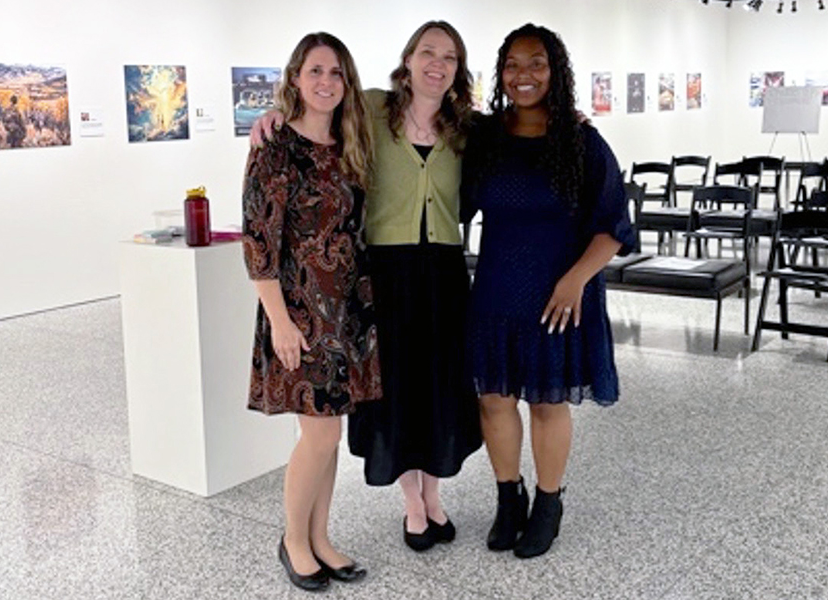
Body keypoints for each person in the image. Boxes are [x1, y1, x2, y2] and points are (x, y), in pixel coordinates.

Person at [252, 21, 482, 554]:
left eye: (449, 57)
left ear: (458, 70)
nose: (437, 64)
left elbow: (521, 133)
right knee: (397, 390)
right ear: (408, 59)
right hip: (385, 275)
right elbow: (318, 107)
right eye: (427, 52)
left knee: (439, 386)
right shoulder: (374, 109)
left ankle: (434, 495)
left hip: (444, 275)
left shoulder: (468, 127)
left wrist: (570, 118)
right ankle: (412, 504)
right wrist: (274, 113)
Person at [462, 23, 635, 559]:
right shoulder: (486, 139)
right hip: (497, 290)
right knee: (494, 399)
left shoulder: (583, 142)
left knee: (546, 401)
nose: (524, 75)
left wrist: (576, 278)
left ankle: (549, 503)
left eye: (536, 63)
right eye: (512, 65)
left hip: (559, 297)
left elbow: (614, 226)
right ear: (500, 74)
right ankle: (508, 497)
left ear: (555, 70)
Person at [241, 32, 379, 593]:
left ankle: (321, 539)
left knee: (331, 433)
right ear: (296, 77)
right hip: (299, 312)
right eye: (315, 70)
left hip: (346, 312)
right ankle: (293, 540)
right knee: (318, 436)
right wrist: (279, 320)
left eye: (336, 72)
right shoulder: (274, 145)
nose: (326, 82)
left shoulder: (350, 144)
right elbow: (258, 240)